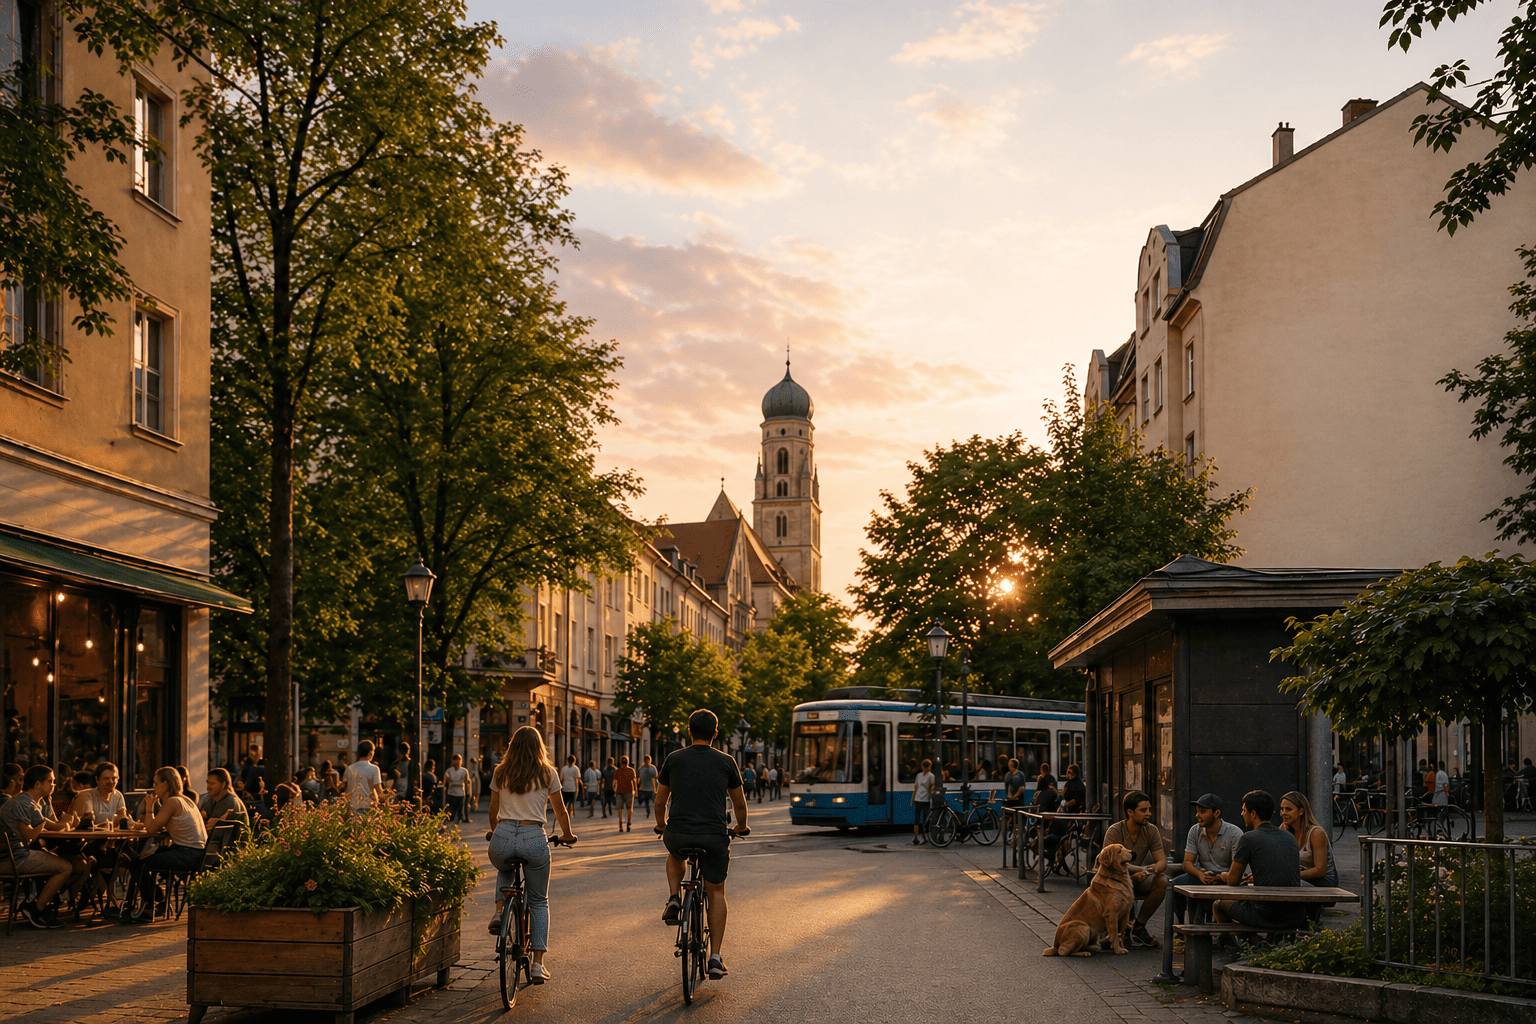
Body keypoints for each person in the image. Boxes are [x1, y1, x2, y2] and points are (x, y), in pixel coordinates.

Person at [655, 709, 749, 981]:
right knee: (716, 891)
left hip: (679, 833)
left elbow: (660, 802)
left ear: (689, 731)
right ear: (715, 733)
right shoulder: (727, 761)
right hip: (713, 836)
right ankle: (715, 957)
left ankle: (674, 897)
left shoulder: (673, 759)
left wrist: (661, 825)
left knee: (675, 853)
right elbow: (740, 804)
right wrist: (741, 827)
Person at [486, 726, 577, 984]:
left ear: (512, 745)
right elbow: (560, 811)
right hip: (533, 836)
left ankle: (499, 911)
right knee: (538, 901)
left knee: (504, 865)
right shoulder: (548, 773)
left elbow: (493, 810)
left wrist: (495, 831)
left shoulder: (500, 771)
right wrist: (567, 835)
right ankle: (538, 965)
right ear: (540, 747)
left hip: (503, 835)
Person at [120, 766, 207, 924]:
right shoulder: (185, 800)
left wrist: (149, 806)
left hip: (187, 854)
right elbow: (160, 824)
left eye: (156, 783)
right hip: (198, 854)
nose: (153, 787)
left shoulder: (172, 802)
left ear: (166, 784)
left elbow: (151, 829)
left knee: (138, 863)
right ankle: (158, 900)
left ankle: (148, 907)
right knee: (151, 855)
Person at [1214, 790, 1308, 933]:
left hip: (1265, 915)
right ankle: (1258, 941)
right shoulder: (1289, 837)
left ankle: (1247, 942)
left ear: (1253, 814)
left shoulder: (1248, 838)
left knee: (1219, 904)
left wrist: (1222, 876)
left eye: (1244, 810)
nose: (1242, 814)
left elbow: (1233, 880)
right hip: (1295, 915)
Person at [1, 765, 81, 928]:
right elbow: (29, 836)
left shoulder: (31, 801)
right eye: (50, 781)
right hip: (14, 859)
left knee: (68, 861)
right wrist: (45, 823)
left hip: (14, 855)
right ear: (37, 784)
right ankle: (36, 909)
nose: (54, 785)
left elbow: (51, 825)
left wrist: (49, 812)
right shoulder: (25, 803)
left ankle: (39, 904)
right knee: (65, 867)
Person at [1101, 790, 1167, 948]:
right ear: (1130, 812)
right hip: (1114, 881)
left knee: (1163, 881)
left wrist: (1149, 871)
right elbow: (1113, 863)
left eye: (1149, 809)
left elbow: (1162, 862)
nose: (1148, 813)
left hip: (1137, 878)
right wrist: (1140, 870)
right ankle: (1116, 930)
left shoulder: (1151, 830)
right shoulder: (1115, 831)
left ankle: (1138, 926)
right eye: (1143, 810)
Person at [1170, 793, 1243, 925]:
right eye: (1197, 811)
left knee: (1203, 901)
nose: (1197, 815)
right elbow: (1187, 863)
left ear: (1216, 813)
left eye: (1202, 812)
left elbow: (1236, 870)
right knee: (1174, 885)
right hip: (1203, 875)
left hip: (1225, 878)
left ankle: (1205, 927)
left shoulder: (1234, 833)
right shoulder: (1195, 830)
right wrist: (1200, 874)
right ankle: (1180, 926)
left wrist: (1220, 877)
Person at [1279, 791, 1334, 889]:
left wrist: (1290, 876)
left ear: (1301, 811)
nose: (1283, 813)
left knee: (1284, 884)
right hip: (1299, 879)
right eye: (1282, 809)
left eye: (1288, 809)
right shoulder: (1283, 830)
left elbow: (1320, 870)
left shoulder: (1316, 833)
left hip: (1323, 883)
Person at [70, 761, 129, 827]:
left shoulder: (118, 796)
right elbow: (88, 822)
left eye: (114, 778)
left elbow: (122, 818)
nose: (110, 781)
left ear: (118, 779)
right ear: (97, 779)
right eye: (106, 778)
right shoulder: (86, 796)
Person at [199, 768, 251, 834]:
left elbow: (209, 831)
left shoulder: (229, 802)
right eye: (208, 783)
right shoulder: (212, 798)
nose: (208, 788)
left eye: (212, 783)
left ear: (223, 784)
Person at [342, 739, 384, 812]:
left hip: (352, 807)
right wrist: (384, 802)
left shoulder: (349, 769)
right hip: (369, 806)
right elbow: (378, 789)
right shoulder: (374, 769)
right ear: (370, 753)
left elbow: (345, 789)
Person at [912, 758, 936, 845]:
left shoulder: (918, 775)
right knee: (925, 820)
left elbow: (916, 788)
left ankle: (916, 837)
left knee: (916, 819)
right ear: (930, 766)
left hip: (917, 799)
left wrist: (912, 799)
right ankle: (925, 837)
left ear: (922, 766)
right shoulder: (931, 776)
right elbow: (931, 788)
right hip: (926, 800)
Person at [444, 754, 470, 823]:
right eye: (455, 761)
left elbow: (467, 782)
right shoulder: (449, 771)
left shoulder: (464, 771)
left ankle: (459, 821)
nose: (457, 763)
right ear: (452, 761)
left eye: (459, 761)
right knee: (452, 809)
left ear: (461, 761)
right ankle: (451, 821)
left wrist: (468, 792)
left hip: (461, 793)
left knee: (460, 809)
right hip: (451, 793)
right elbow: (445, 781)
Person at [614, 754, 637, 832]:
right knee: (629, 808)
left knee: (620, 809)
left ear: (620, 762)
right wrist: (635, 791)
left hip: (619, 791)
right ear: (628, 762)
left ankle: (620, 823)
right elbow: (634, 781)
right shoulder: (631, 770)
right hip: (629, 791)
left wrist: (614, 789)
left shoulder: (617, 771)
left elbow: (614, 782)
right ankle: (628, 822)